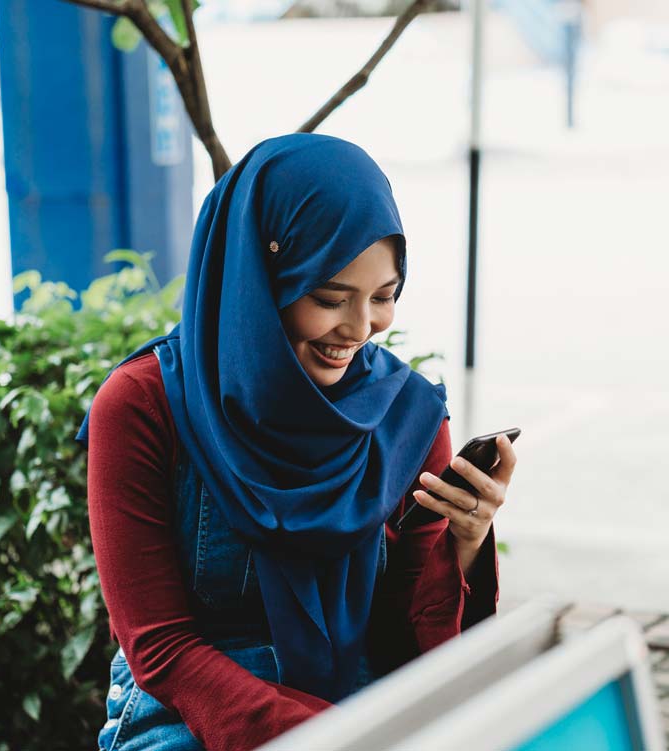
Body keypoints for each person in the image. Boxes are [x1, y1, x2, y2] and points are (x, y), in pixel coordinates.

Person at [76, 133, 516, 751]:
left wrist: (467, 541)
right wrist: (325, 738)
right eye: (330, 299)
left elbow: (420, 639)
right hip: (192, 714)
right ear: (259, 278)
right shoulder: (146, 404)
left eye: (384, 297)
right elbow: (159, 645)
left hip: (367, 704)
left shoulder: (407, 414)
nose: (360, 330)